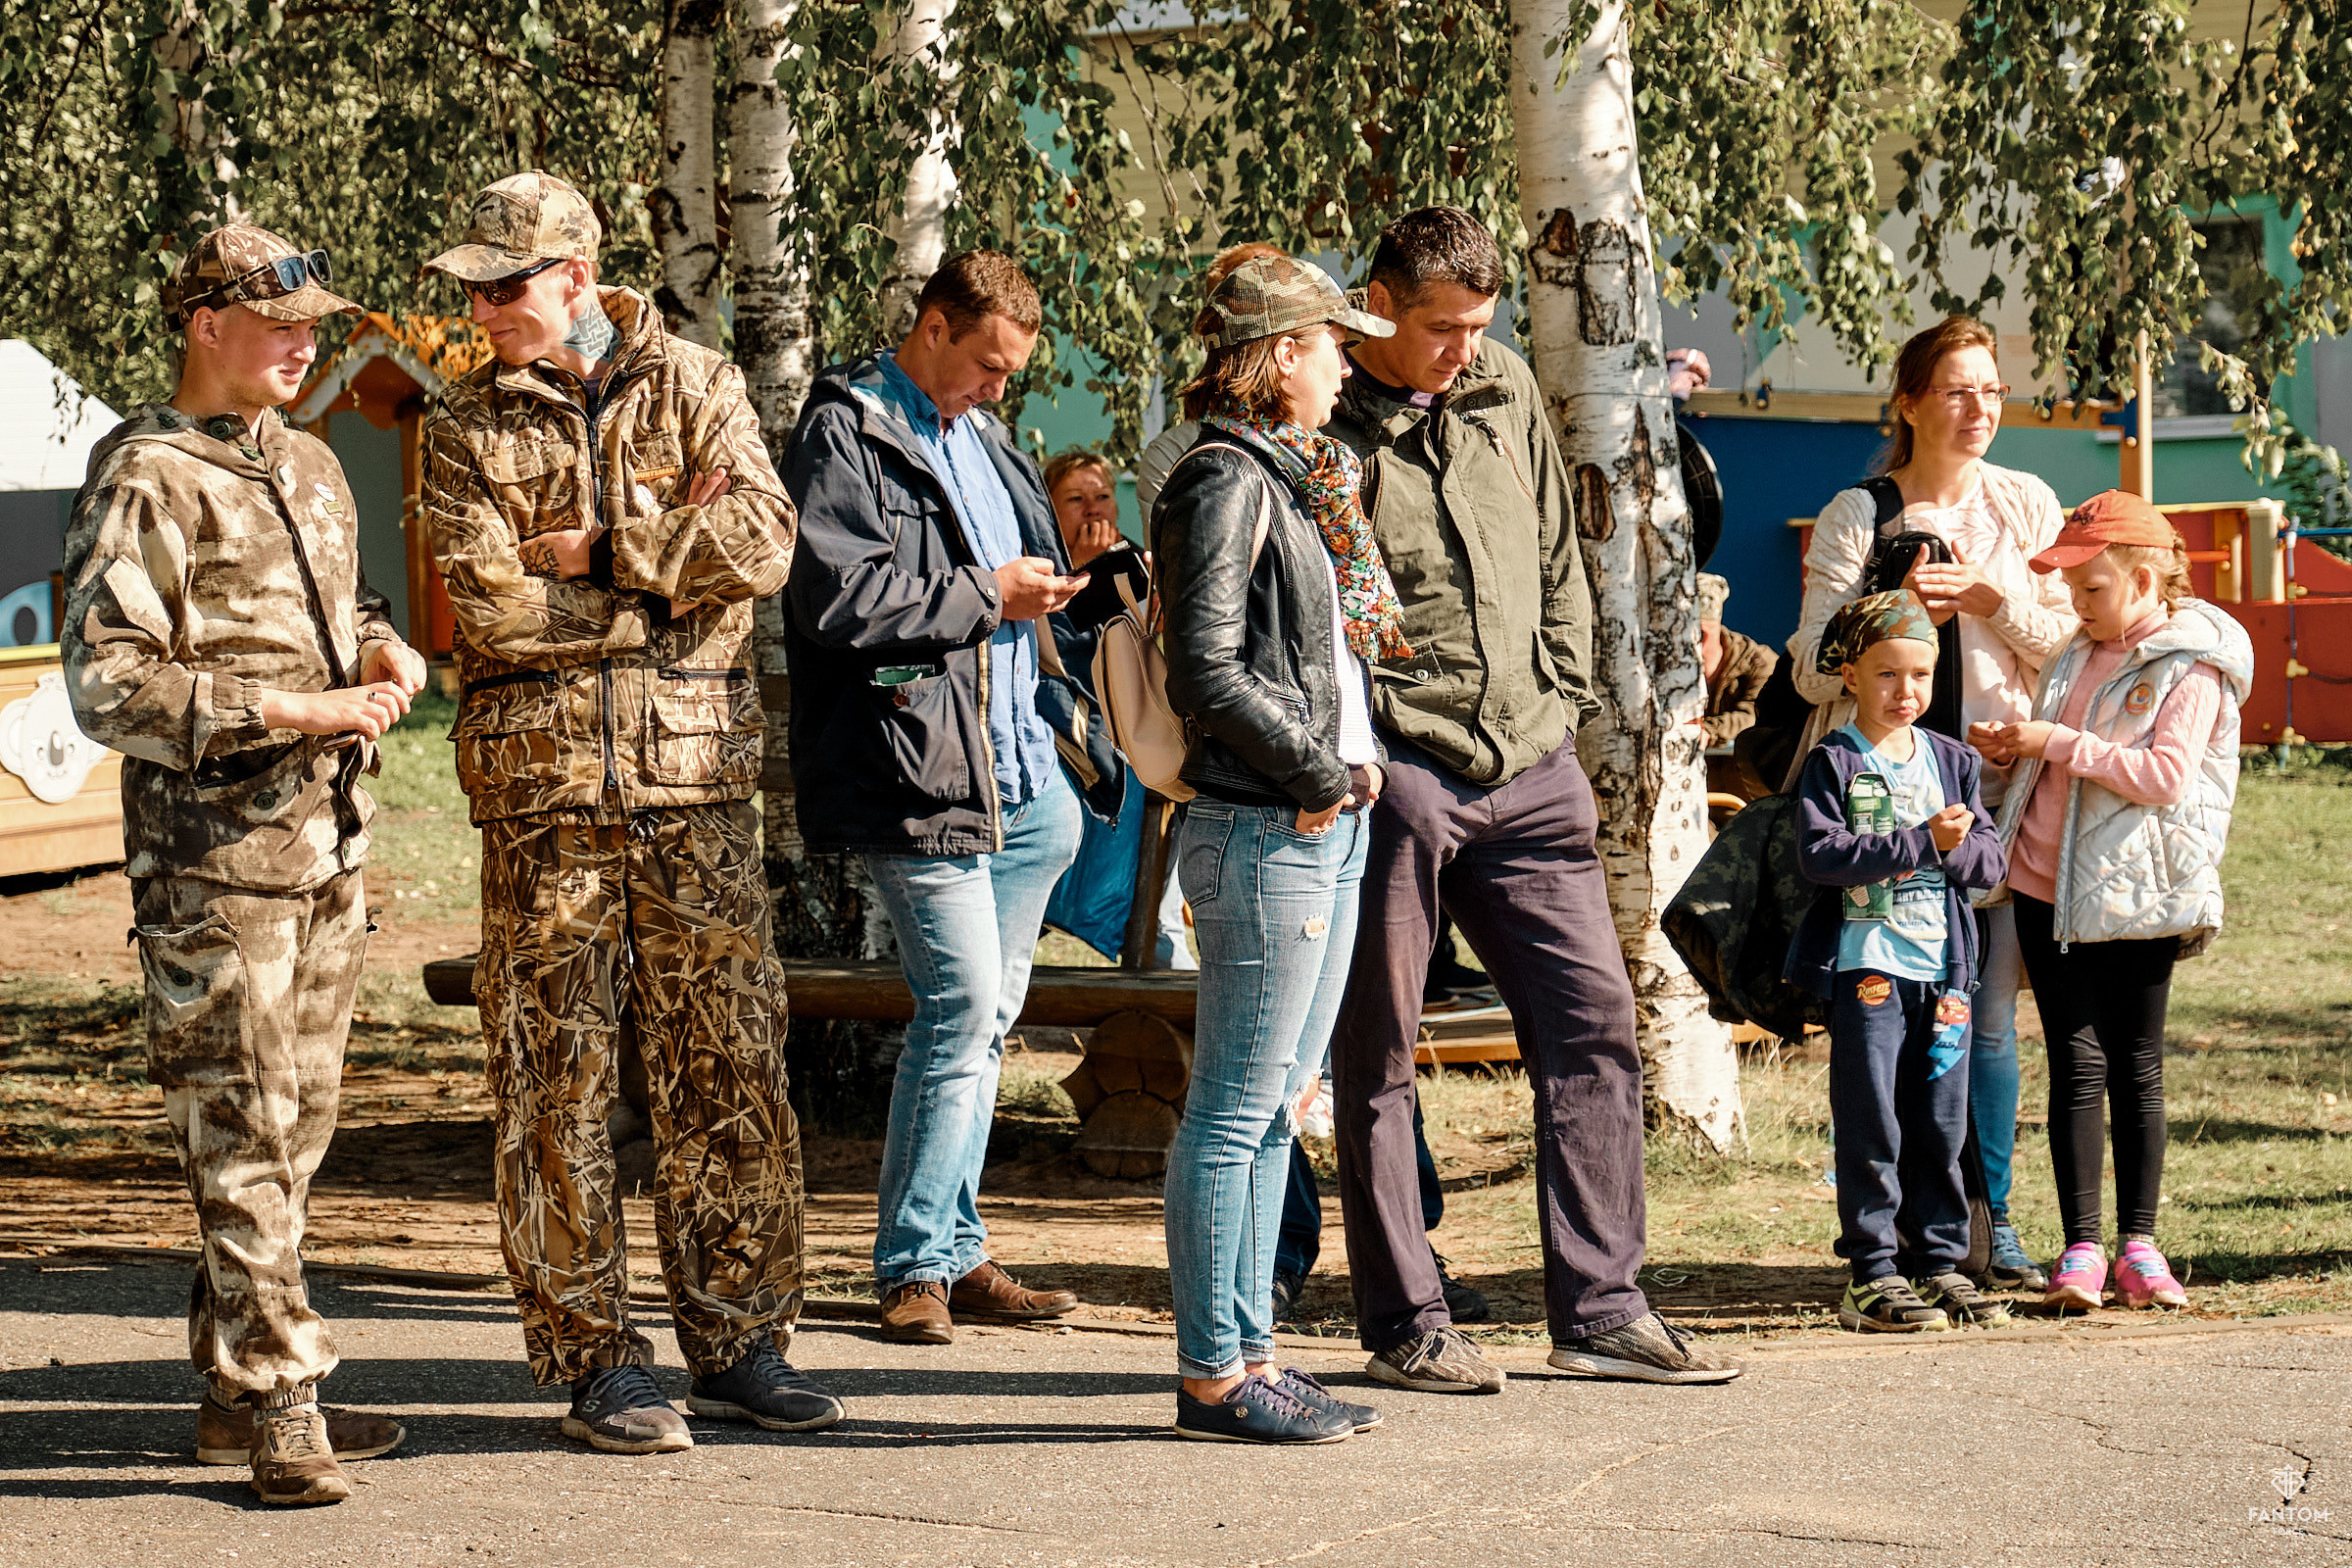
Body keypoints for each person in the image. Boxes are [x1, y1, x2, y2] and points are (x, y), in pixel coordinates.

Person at [419, 171, 839, 1451]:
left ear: (576, 277)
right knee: (558, 1085)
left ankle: (744, 1339)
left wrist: (602, 551)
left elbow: (765, 545)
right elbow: (487, 608)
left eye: (506, 284)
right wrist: (671, 589)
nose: (484, 307)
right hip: (545, 813)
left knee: (730, 1069)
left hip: (695, 799)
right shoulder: (461, 426)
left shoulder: (696, 385)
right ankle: (596, 1358)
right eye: (473, 288)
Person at [1325, 205, 1740, 1390]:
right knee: (1381, 1051)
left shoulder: (1502, 383)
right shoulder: (1323, 420)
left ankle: (1601, 1307)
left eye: (1477, 326)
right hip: (1403, 774)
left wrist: (1558, 691)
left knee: (1595, 1026)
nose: (1462, 348)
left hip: (1534, 763)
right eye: (1440, 328)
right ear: (1378, 305)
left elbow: (1559, 549)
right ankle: (1409, 1321)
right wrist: (1383, 750)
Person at [63, 224, 419, 1503]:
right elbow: (108, 686)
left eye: (317, 319)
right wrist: (289, 713)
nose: (308, 341)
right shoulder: (144, 475)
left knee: (290, 1129)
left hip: (327, 850)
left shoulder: (314, 466)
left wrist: (380, 656)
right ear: (207, 324)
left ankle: (231, 1391)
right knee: (247, 1132)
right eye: (283, 322)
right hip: (212, 867)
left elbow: (344, 611)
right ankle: (282, 1398)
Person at [784, 250, 1090, 1345]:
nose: (1001, 388)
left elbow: (1020, 586)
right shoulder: (847, 431)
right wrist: (985, 594)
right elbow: (835, 599)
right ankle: (915, 1259)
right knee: (960, 1010)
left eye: (1012, 372)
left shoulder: (987, 437)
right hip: (920, 774)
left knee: (987, 1021)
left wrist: (1065, 590)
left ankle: (953, 1248)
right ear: (932, 327)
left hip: (1017, 776)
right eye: (988, 364)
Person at [1154, 250, 1396, 1444]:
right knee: (1234, 1110)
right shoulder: (1225, 479)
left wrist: (1350, 769)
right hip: (1271, 823)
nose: (1348, 361)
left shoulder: (1299, 478)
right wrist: (1314, 768)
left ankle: (1250, 1354)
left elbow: (1316, 656)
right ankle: (1214, 1374)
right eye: (1333, 342)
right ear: (1281, 355)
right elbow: (1205, 668)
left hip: (1322, 820)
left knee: (1273, 1109)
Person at [1788, 316, 2075, 1294]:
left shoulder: (2029, 505)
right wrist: (1889, 602)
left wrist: (1998, 603)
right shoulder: (1856, 513)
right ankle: (1890, 1242)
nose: (1979, 408)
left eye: (1991, 389)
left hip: (1999, 799)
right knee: (1886, 1040)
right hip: (1879, 817)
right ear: (1909, 401)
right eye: (1957, 388)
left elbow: (2072, 651)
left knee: (1982, 1025)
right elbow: (1804, 667)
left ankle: (1985, 1224)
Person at [1973, 492, 2252, 1311]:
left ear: (2141, 579)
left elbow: (2166, 775)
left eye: (2089, 589)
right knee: (2074, 1068)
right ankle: (2082, 1250)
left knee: (2135, 1067)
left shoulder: (2190, 664)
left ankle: (2140, 1245)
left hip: (2140, 897)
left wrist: (2054, 743)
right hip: (2043, 886)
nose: (2074, 604)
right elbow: (2061, 753)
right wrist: (2020, 747)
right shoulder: (2076, 650)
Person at [1786, 593, 2009, 1332]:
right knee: (1872, 1120)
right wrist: (1923, 842)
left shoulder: (1953, 761)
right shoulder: (1836, 761)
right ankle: (1871, 1273)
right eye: (1886, 674)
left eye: (1919, 675)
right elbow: (1821, 858)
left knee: (1941, 1122)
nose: (1904, 692)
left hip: (1944, 973)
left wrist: (1957, 845)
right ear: (1850, 675)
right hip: (1868, 970)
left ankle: (1939, 1262)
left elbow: (1987, 862)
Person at [1038, 448, 1195, 969]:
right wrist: (1081, 577)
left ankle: (1161, 936)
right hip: (1077, 744)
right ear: (1048, 508)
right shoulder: (1035, 571)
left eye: (1103, 496)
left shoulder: (1135, 565)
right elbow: (1057, 670)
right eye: (1075, 500)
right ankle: (1150, 938)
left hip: (1141, 737)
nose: (1094, 510)